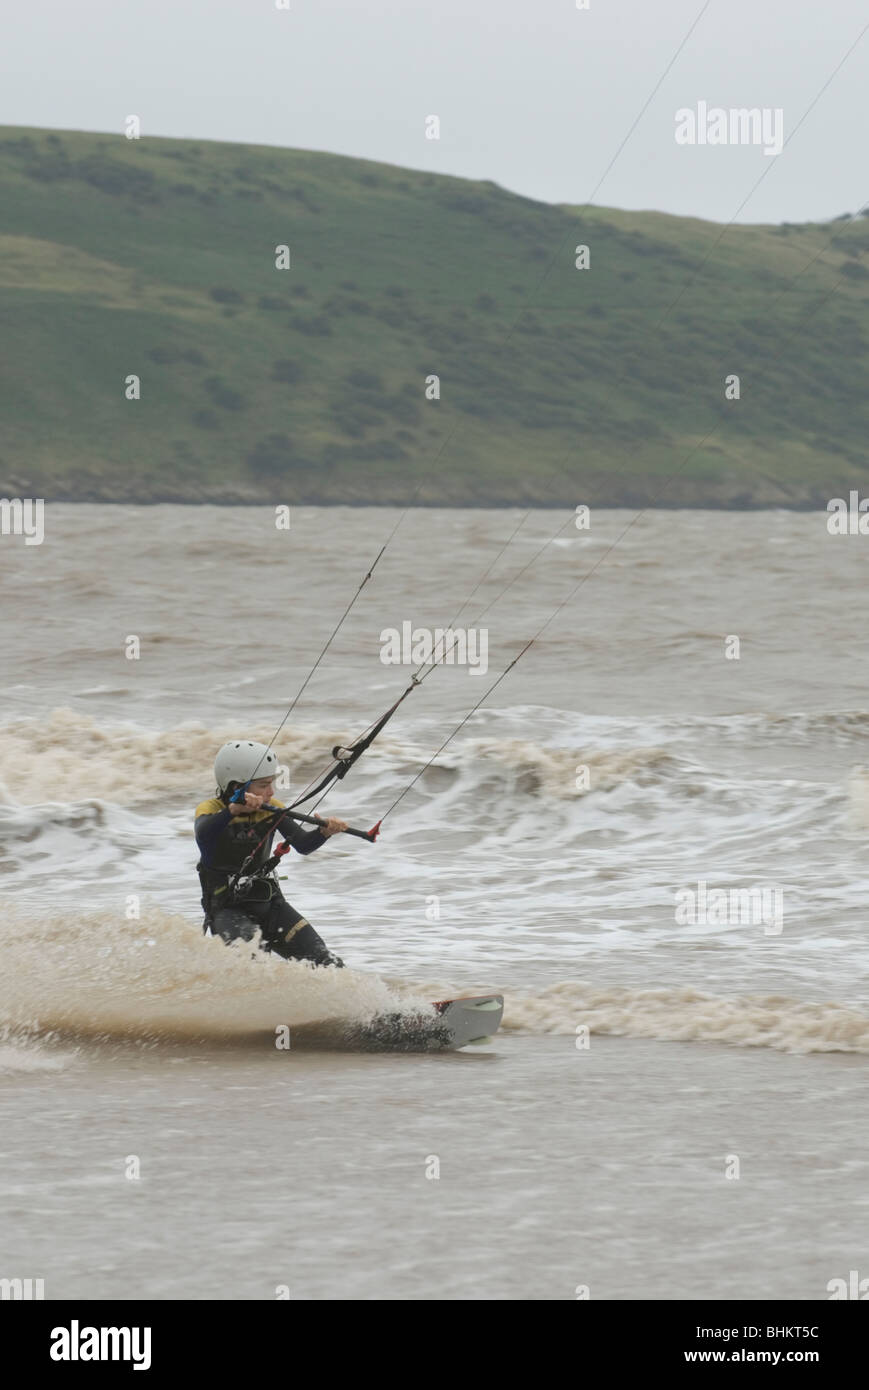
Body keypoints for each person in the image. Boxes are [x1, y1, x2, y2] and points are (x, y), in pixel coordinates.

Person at [194, 740, 347, 967]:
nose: (271, 791)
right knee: (255, 964)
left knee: (328, 964)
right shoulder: (211, 811)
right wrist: (233, 810)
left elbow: (303, 845)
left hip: (270, 904)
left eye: (272, 784)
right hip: (227, 909)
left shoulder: (272, 808)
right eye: (264, 785)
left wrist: (323, 832)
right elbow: (204, 835)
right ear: (237, 787)